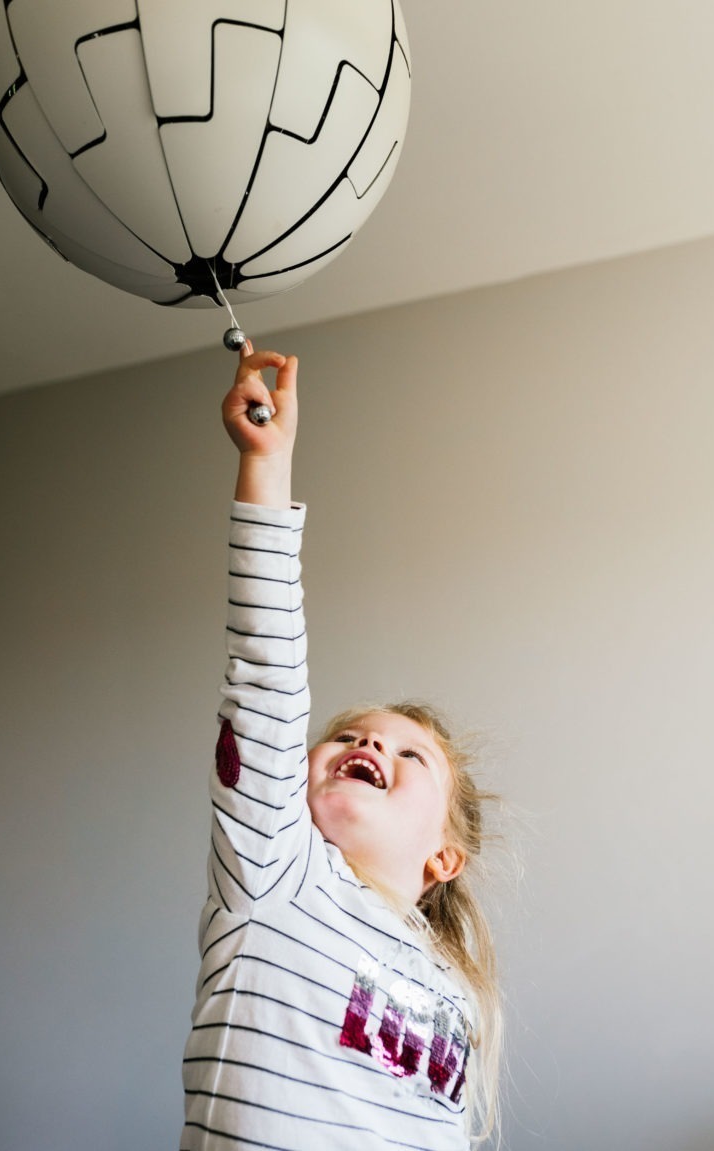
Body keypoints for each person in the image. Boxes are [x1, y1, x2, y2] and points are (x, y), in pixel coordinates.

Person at [180, 344, 502, 1150]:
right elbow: (267, 674)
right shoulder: (277, 868)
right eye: (350, 736)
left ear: (444, 856)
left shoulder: (454, 991)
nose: (367, 743)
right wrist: (268, 464)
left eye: (409, 753)